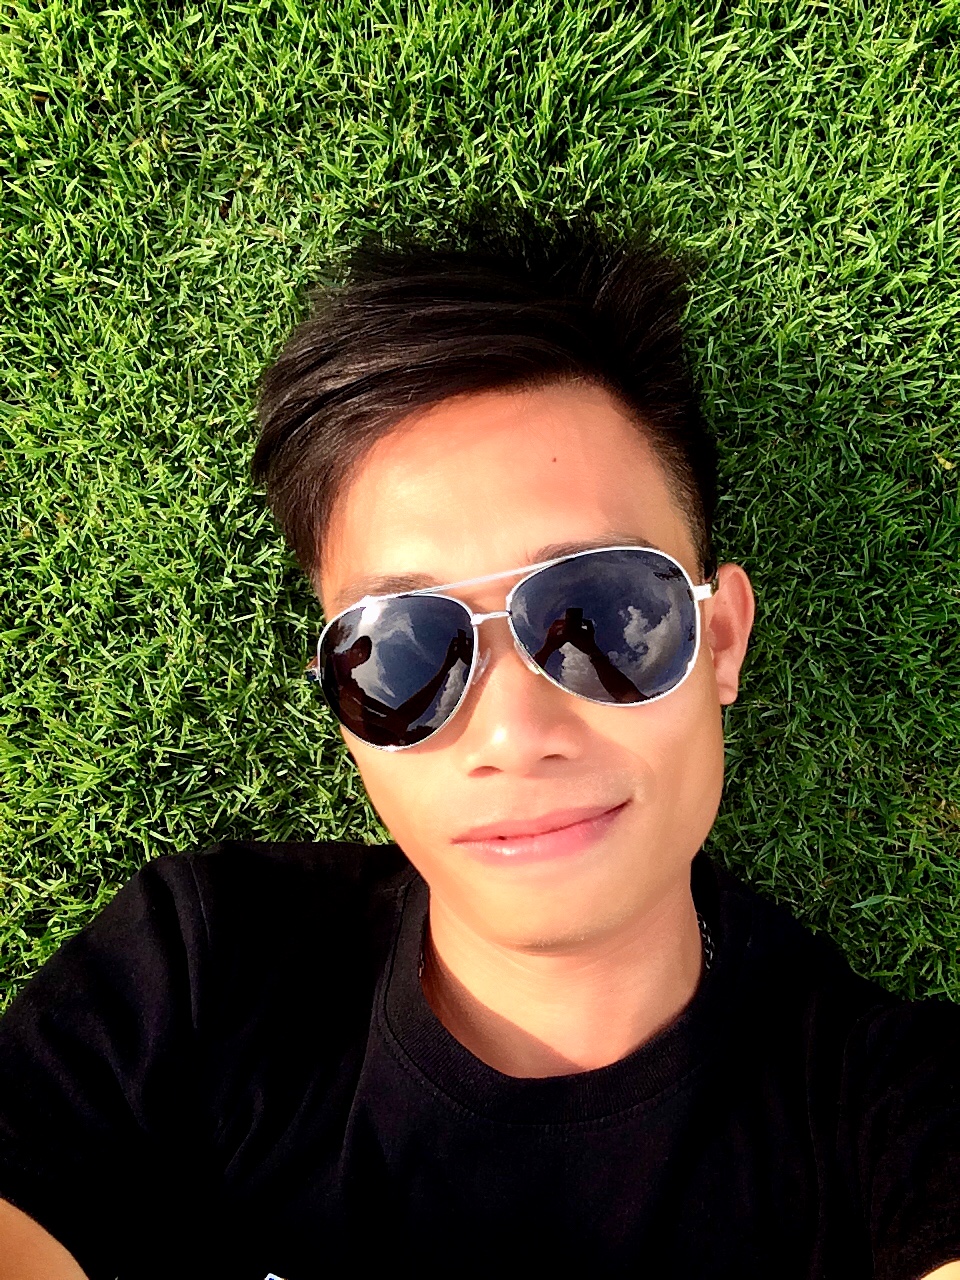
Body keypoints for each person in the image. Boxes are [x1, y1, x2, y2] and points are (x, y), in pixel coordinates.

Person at [0, 213, 958, 1280]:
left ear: (721, 638)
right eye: (403, 652)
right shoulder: (201, 971)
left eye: (606, 614)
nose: (513, 734)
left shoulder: (891, 1120)